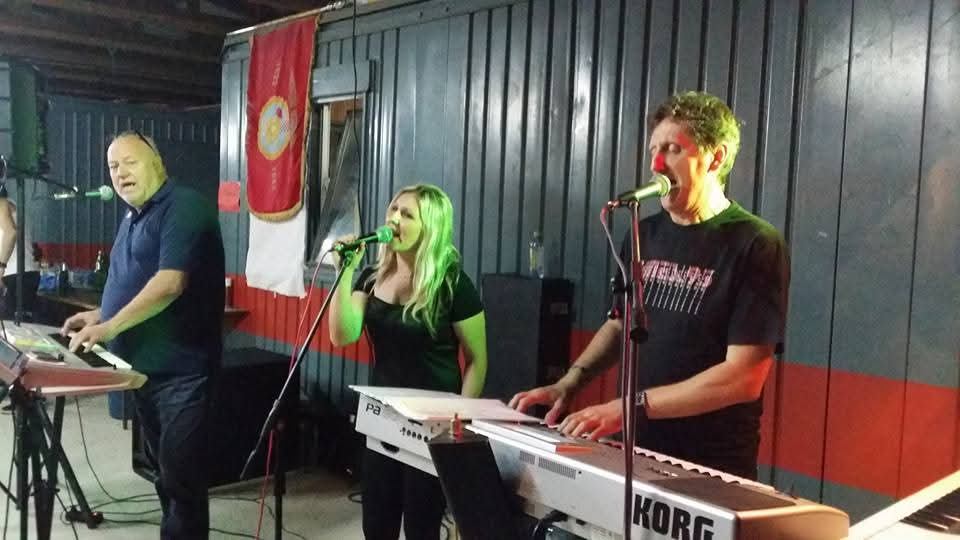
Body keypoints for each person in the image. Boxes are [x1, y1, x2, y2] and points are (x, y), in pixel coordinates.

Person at [510, 91, 789, 480]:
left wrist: (632, 406)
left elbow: (743, 378)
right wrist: (569, 383)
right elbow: (620, 323)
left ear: (716, 157)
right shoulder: (644, 234)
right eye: (654, 150)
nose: (657, 165)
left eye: (673, 149)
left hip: (708, 466)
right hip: (636, 453)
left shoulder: (755, 243)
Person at [61, 131, 224, 539]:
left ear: (158, 162)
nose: (120, 173)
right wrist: (98, 313)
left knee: (181, 479)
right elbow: (132, 283)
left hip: (183, 375)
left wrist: (108, 327)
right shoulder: (133, 216)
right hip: (144, 373)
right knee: (163, 475)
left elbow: (169, 283)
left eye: (130, 162)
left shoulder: (183, 206)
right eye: (113, 166)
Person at [329, 184, 487, 540]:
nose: (394, 219)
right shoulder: (373, 277)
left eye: (407, 214)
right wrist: (345, 273)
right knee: (376, 524)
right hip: (383, 419)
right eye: (393, 210)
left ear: (430, 226)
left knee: (421, 526)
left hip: (432, 423)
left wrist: (459, 421)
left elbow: (478, 360)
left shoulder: (453, 284)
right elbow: (342, 334)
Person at [0, 184, 41, 320]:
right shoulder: (11, 205)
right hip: (26, 274)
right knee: (20, 325)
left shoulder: (2, 203)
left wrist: (1, 267)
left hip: (15, 275)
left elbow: (11, 233)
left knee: (11, 326)